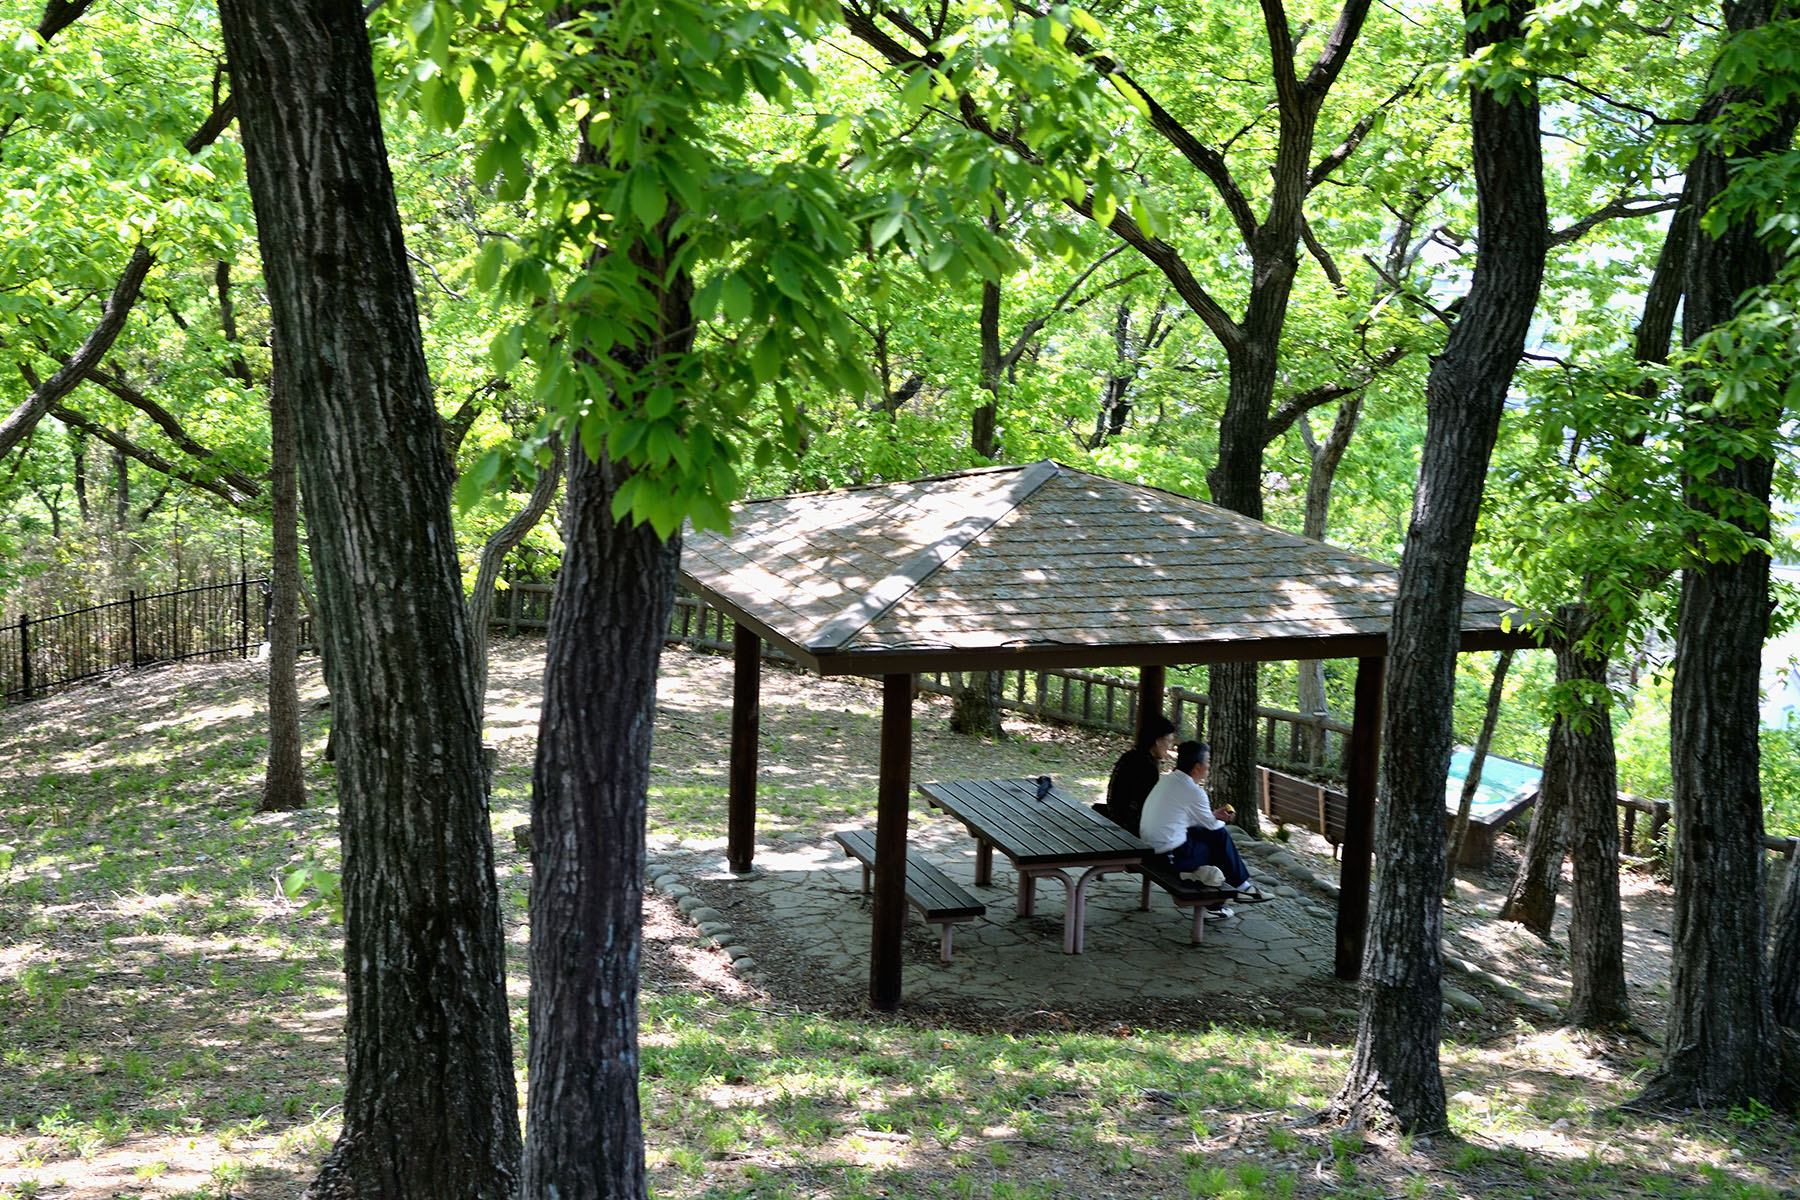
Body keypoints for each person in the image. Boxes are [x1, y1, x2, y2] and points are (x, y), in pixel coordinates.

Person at [1139, 740, 1258, 903]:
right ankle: (1227, 899)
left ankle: (1237, 889)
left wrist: (1212, 816)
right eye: (1208, 761)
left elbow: (1181, 818)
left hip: (1150, 848)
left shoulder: (1168, 780)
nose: (1209, 766)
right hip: (1166, 856)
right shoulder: (1194, 791)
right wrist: (1220, 819)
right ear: (1197, 767)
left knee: (1214, 837)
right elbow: (1212, 826)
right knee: (1218, 844)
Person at [1099, 714, 1176, 836]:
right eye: (1169, 741)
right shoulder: (1146, 766)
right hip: (1127, 825)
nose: (1170, 746)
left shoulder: (1131, 756)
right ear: (1157, 741)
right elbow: (1153, 804)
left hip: (1116, 815)